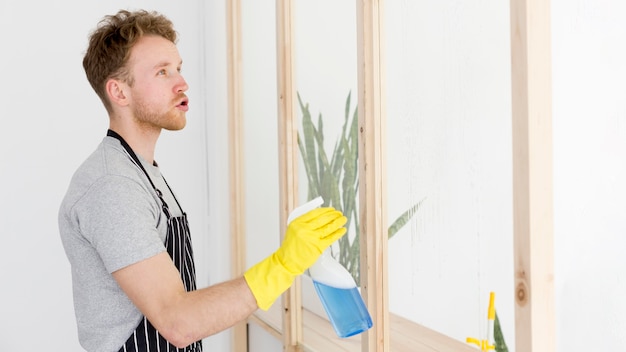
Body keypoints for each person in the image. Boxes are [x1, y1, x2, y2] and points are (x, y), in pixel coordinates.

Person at [58, 9, 347, 352]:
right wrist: (283, 265)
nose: (182, 83)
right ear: (119, 92)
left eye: (178, 68)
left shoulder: (141, 172)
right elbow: (178, 322)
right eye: (162, 72)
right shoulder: (112, 186)